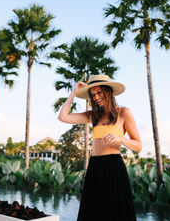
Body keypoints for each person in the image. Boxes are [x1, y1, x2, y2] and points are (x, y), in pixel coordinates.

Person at [58, 74, 142, 221]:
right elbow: (63, 117)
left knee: (115, 213)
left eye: (99, 92)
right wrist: (73, 93)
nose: (96, 97)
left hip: (114, 166)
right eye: (93, 94)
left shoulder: (123, 113)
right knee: (92, 213)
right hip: (95, 166)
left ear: (108, 91)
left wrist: (120, 139)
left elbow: (138, 146)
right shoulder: (93, 115)